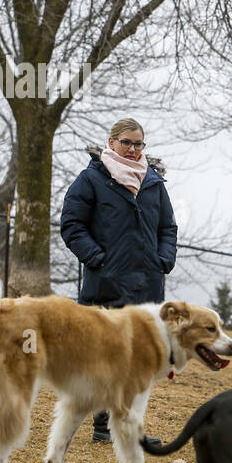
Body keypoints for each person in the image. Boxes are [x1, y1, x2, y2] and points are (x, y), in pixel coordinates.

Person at [60, 118, 177, 444]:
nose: (133, 149)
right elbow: (71, 224)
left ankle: (129, 427)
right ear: (111, 142)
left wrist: (164, 260)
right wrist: (98, 259)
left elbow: (167, 228)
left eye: (139, 144)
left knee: (140, 358)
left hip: (147, 286)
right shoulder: (91, 179)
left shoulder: (154, 183)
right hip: (106, 284)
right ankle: (103, 428)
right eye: (127, 142)